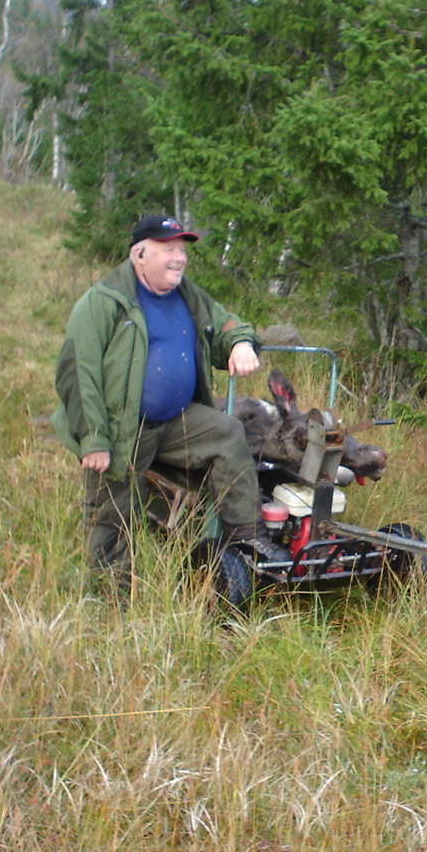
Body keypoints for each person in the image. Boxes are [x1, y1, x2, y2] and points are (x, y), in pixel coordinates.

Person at [52, 214, 274, 593]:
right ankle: (110, 598)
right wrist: (94, 439)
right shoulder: (104, 302)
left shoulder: (186, 295)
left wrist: (239, 343)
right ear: (139, 254)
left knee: (226, 432)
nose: (179, 258)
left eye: (182, 250)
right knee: (113, 510)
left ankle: (244, 541)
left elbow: (225, 323)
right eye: (168, 249)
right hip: (121, 425)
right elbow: (77, 373)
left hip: (175, 420)